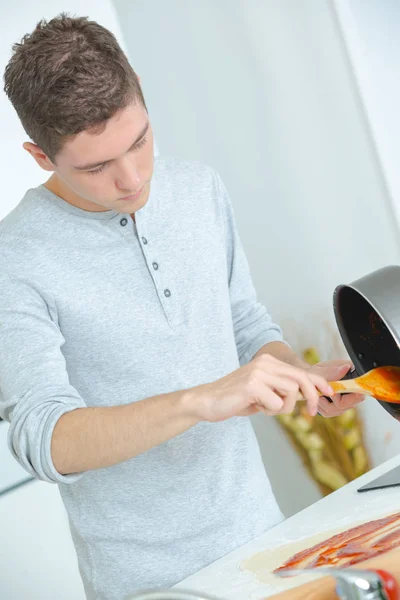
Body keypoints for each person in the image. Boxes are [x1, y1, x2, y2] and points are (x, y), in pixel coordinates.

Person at [0, 14, 364, 600]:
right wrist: (199, 401)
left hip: (269, 549)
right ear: (39, 156)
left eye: (140, 139)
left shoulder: (198, 189)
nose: (132, 177)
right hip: (149, 586)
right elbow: (48, 440)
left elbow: (245, 323)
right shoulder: (14, 259)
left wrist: (297, 377)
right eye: (96, 167)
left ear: (140, 89)